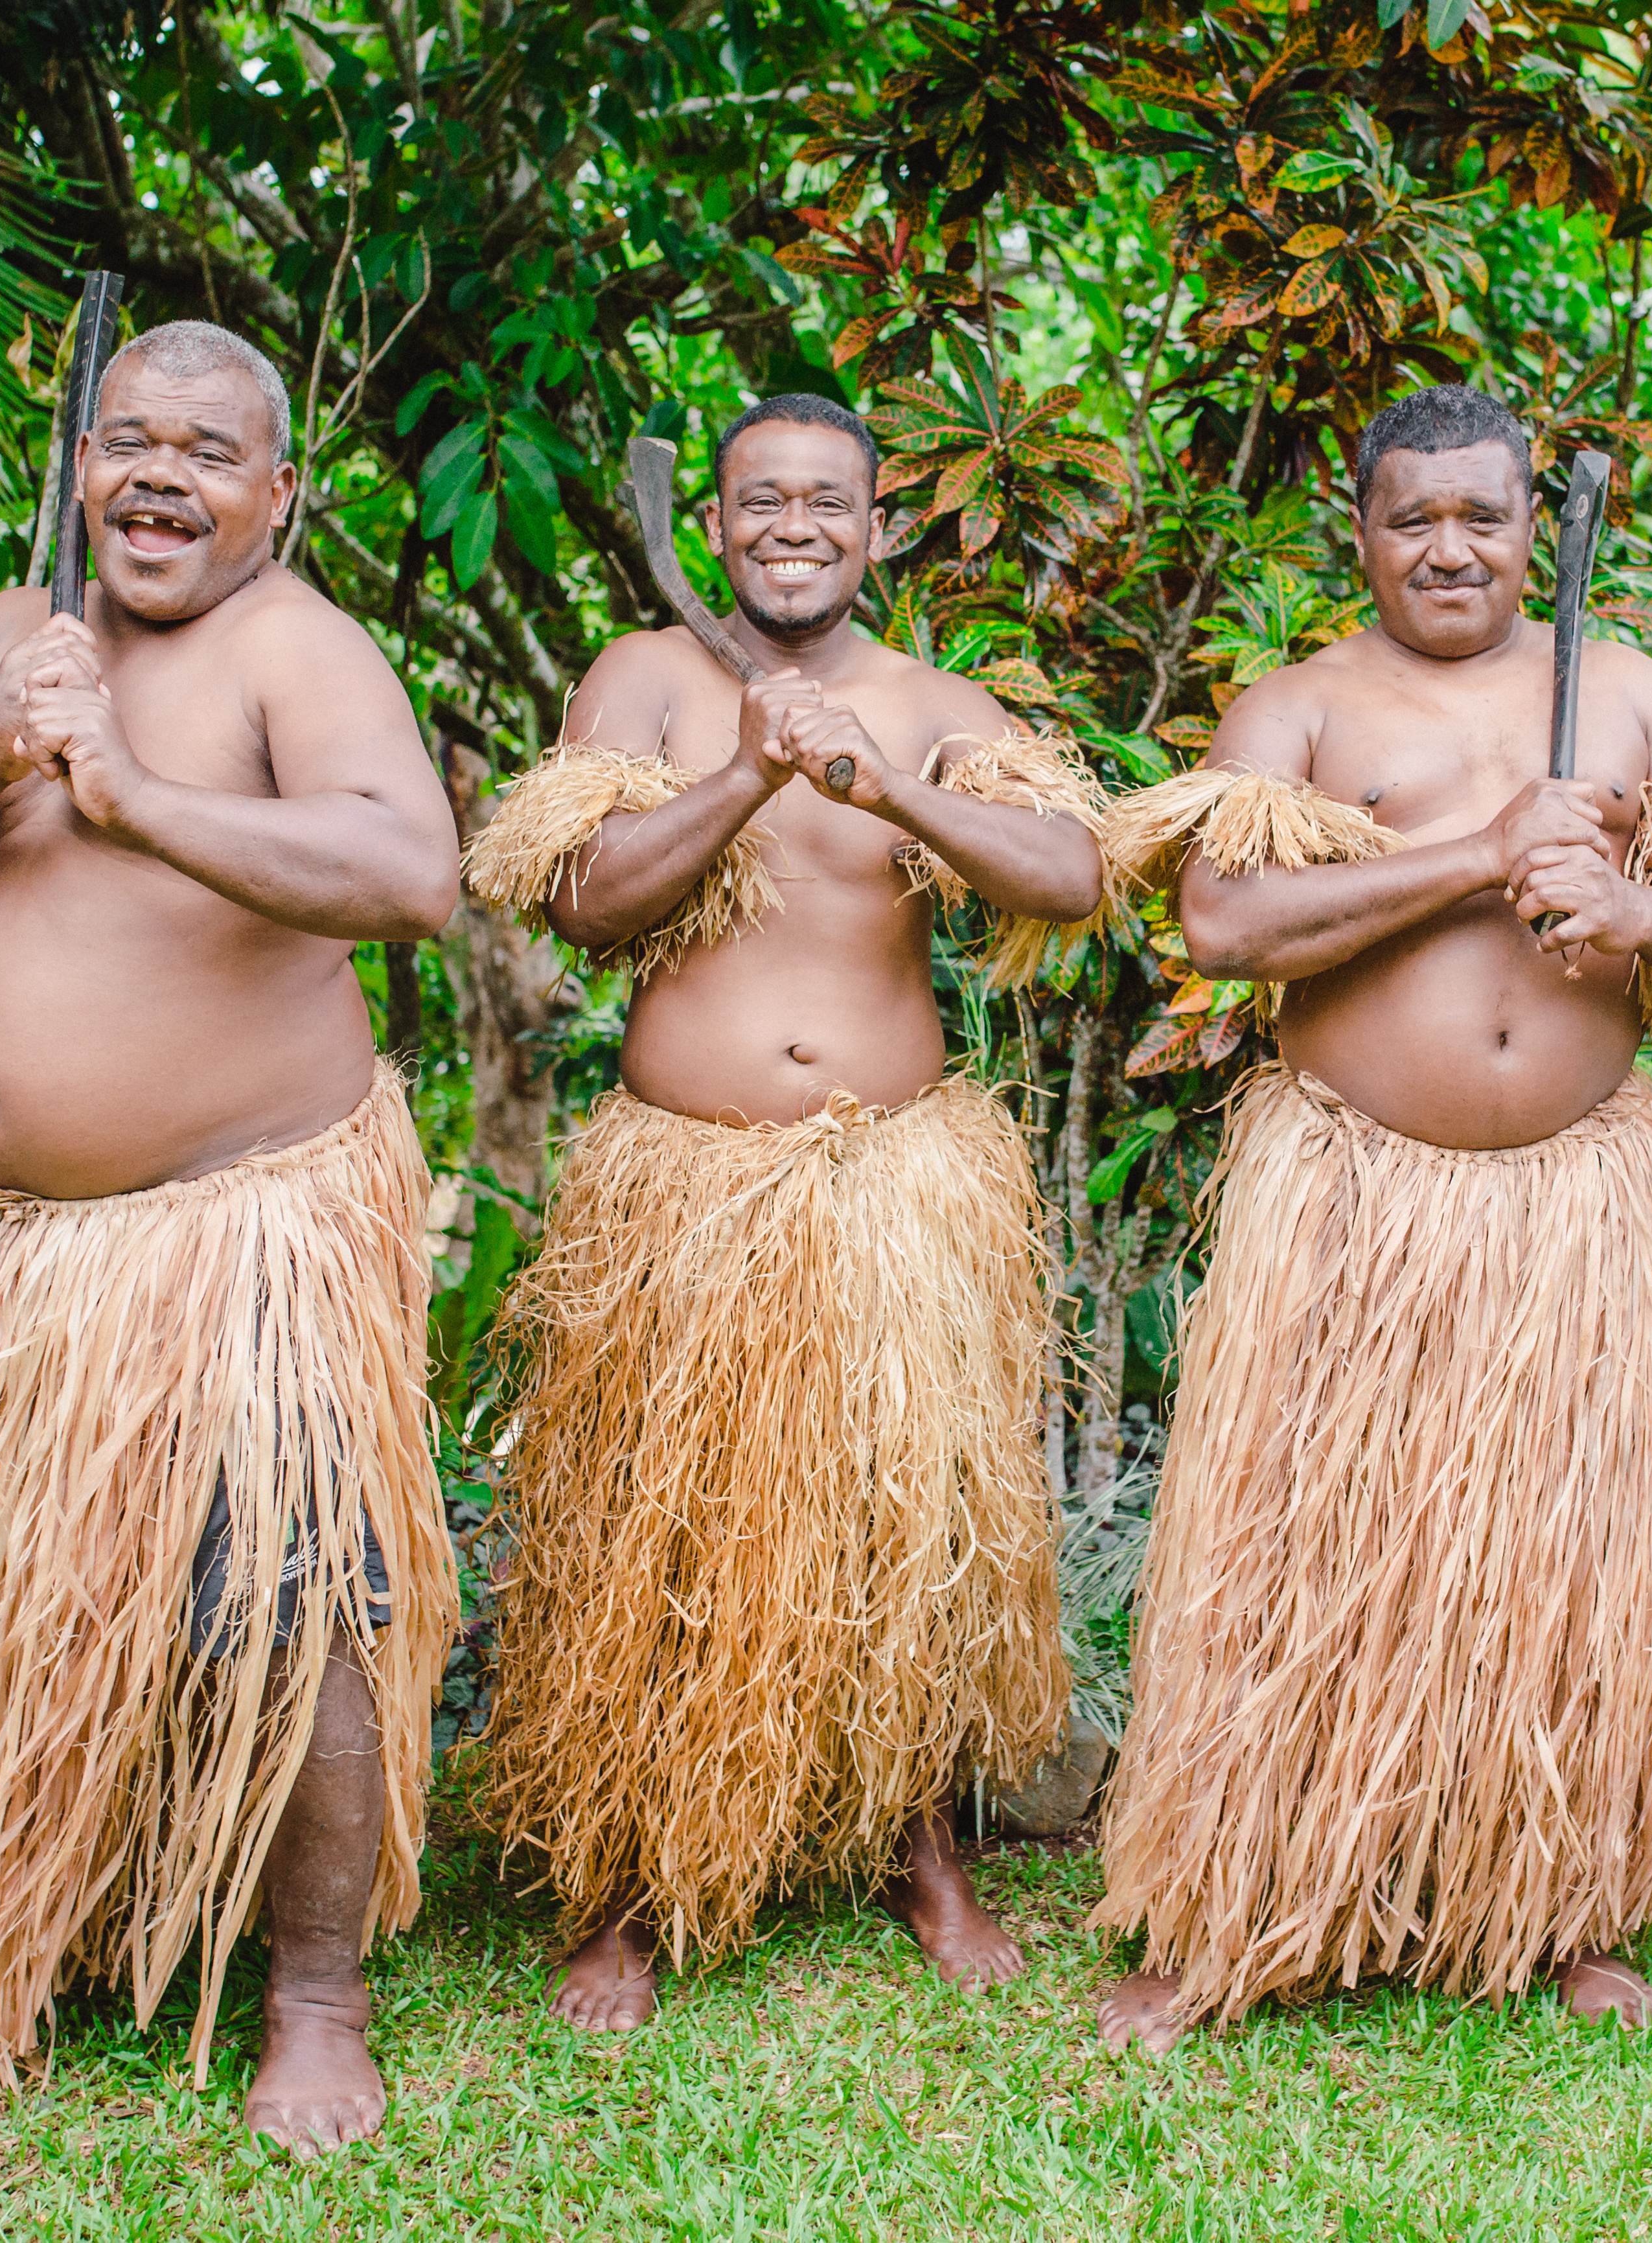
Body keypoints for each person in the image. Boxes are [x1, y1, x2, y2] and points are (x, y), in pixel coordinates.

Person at [0, 321, 464, 2152]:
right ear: (77, 467)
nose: (156, 474)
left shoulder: (294, 646)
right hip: (12, 1252)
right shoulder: (6, 630)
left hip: (239, 1234)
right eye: (125, 438)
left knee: (298, 1607)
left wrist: (135, 794)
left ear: (275, 495)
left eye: (205, 450)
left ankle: (314, 1998)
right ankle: (26, 1908)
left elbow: (409, 872)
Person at [1088, 384, 1652, 2053]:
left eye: (1483, 515)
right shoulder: (1304, 711)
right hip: (1354, 1203)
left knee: (1568, 1574)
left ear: (1535, 520)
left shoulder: (1627, 702)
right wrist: (1477, 856)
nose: (1450, 547)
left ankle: (1560, 1906)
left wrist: (1632, 905)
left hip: (1580, 1210)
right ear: (1363, 530)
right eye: (1416, 519)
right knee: (1293, 1569)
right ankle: (1231, 1913)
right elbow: (1224, 918)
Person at [460, 393, 1108, 2030]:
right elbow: (584, 902)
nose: (794, 525)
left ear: (881, 527)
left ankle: (920, 1854)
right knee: (644, 1539)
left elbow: (1067, 878)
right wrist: (743, 775)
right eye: (760, 501)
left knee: (897, 1536)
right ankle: (616, 1884)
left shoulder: (934, 701)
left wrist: (891, 793)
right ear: (720, 524)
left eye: (828, 501)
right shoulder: (650, 680)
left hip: (893, 1181)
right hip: (683, 1190)